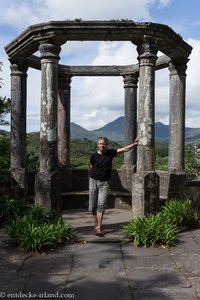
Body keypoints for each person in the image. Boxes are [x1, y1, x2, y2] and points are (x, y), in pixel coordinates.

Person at [88, 136, 139, 237]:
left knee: (101, 204)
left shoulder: (110, 153)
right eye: (100, 144)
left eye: (104, 144)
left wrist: (134, 144)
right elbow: (91, 167)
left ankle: (98, 227)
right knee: (93, 205)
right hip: (93, 181)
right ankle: (95, 224)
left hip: (105, 183)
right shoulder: (93, 156)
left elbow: (125, 149)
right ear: (97, 145)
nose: (102, 145)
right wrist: (90, 178)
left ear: (106, 145)